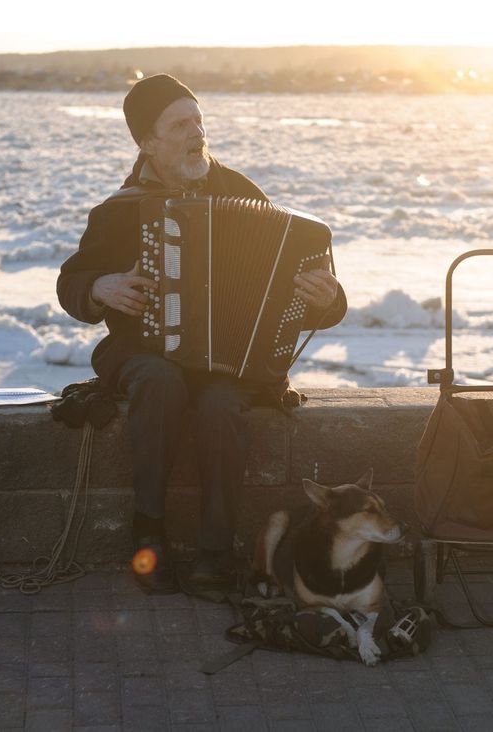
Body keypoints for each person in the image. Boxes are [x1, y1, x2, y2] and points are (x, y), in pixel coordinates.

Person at [57, 74, 347, 594]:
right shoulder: (118, 211)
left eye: (199, 119)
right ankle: (148, 536)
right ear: (148, 141)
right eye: (181, 123)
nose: (197, 132)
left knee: (219, 405)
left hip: (227, 362)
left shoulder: (240, 193)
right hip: (142, 351)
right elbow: (70, 283)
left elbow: (289, 291)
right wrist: (101, 285)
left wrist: (326, 300)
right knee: (159, 379)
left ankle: (216, 551)